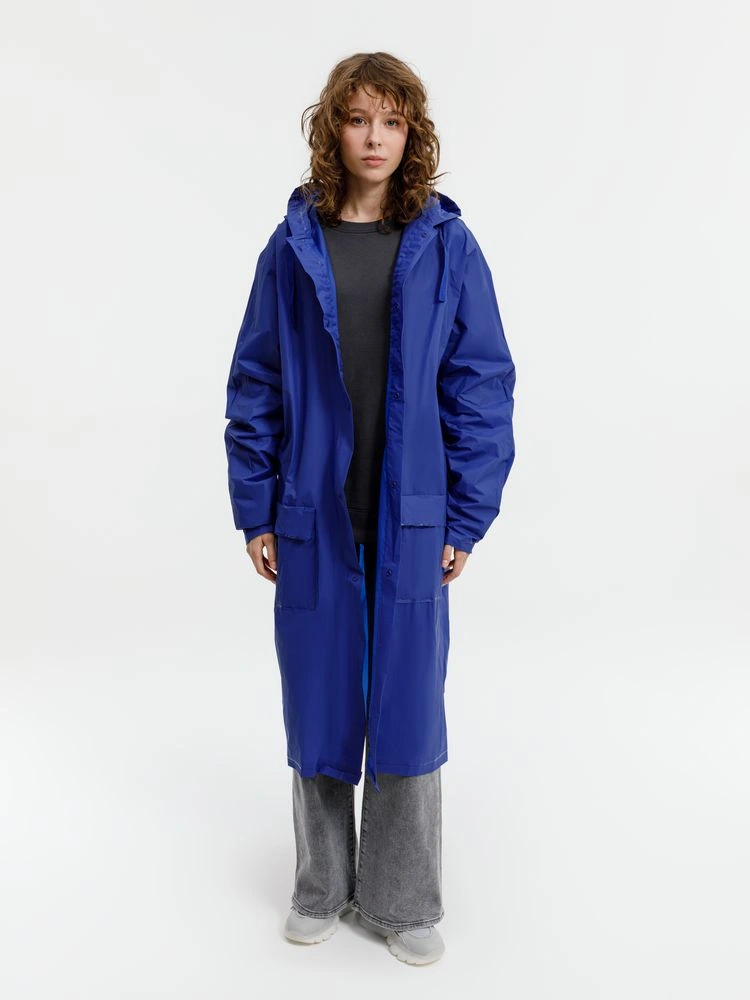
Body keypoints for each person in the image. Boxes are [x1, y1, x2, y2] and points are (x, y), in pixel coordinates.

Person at [224, 52, 516, 966]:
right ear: (333, 130)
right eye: (358, 120)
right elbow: (256, 382)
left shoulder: (445, 244)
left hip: (411, 517)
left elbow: (480, 384)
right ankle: (321, 885)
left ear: (412, 132)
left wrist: (466, 515)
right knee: (318, 700)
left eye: (392, 121)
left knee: (406, 706)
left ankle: (401, 899)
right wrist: (255, 507)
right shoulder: (292, 247)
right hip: (312, 512)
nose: (375, 138)